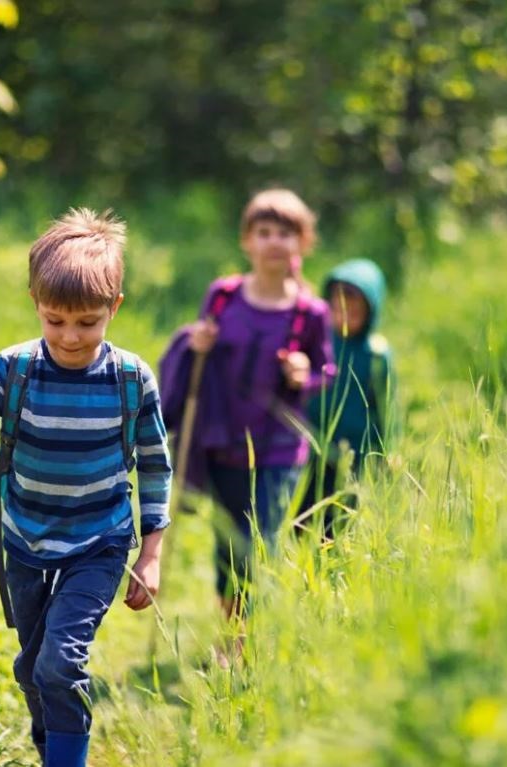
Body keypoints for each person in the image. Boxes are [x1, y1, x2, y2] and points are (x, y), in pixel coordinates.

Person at [0, 208, 171, 767]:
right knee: (32, 668)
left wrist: (152, 553)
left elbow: (156, 466)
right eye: (55, 319)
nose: (69, 336)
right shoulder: (14, 369)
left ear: (115, 307)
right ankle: (53, 747)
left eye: (87, 322)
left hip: (100, 541)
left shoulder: (131, 379)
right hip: (25, 540)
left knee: (59, 662)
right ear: (36, 302)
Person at [159, 188, 334, 629]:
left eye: (286, 233)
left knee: (262, 542)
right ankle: (232, 626)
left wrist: (304, 373)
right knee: (228, 544)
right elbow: (199, 354)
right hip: (223, 442)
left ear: (302, 243)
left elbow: (325, 371)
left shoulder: (309, 312)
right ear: (248, 241)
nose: (275, 241)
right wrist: (196, 345)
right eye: (264, 232)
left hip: (278, 447)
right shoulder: (224, 296)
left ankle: (247, 640)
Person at [302, 258, 395, 537]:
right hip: (311, 446)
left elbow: (387, 408)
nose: (345, 314)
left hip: (354, 455)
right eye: (339, 306)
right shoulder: (318, 342)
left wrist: (387, 450)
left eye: (356, 310)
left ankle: (330, 570)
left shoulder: (376, 354)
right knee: (302, 517)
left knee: (340, 524)